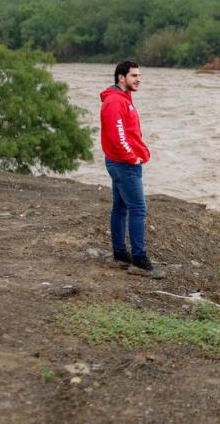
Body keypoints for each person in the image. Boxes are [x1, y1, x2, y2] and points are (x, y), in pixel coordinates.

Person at [100, 61, 163, 279]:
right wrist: (132, 157)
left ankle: (119, 254)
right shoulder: (115, 102)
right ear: (121, 78)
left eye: (139, 75)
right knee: (138, 209)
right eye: (134, 75)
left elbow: (126, 132)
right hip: (124, 164)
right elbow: (117, 136)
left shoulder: (123, 99)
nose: (138, 79)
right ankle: (139, 260)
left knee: (120, 208)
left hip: (120, 163)